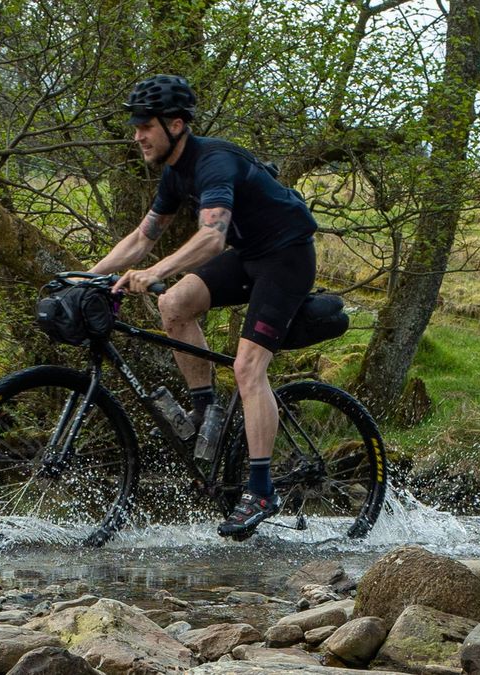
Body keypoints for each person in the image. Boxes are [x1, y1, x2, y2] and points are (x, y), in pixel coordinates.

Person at [88, 74, 319, 539]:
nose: (136, 136)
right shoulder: (174, 174)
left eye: (144, 126)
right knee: (174, 305)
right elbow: (140, 238)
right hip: (251, 256)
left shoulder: (214, 162)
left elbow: (213, 237)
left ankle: (260, 490)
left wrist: (156, 272)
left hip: (288, 256)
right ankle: (206, 413)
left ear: (175, 125)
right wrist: (85, 278)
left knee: (249, 367)